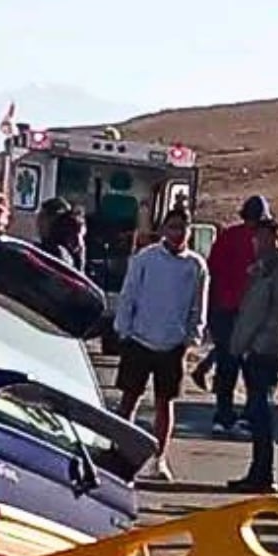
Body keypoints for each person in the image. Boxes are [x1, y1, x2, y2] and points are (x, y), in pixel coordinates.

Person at [113, 206, 209, 481]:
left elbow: (198, 306)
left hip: (172, 344)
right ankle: (119, 451)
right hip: (140, 339)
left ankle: (159, 459)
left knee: (164, 404)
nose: (178, 233)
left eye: (183, 228)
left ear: (189, 232)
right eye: (173, 227)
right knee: (129, 399)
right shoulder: (146, 258)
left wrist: (192, 337)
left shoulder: (196, 265)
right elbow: (129, 292)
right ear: (164, 230)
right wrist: (124, 328)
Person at [227, 216, 278, 494]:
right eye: (256, 236)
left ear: (275, 237)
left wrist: (261, 346)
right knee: (256, 414)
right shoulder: (263, 269)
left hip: (269, 353)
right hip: (253, 350)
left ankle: (265, 475)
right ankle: (257, 472)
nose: (257, 242)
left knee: (262, 413)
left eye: (262, 236)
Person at [194, 195, 270, 436]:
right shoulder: (266, 241)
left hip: (225, 310)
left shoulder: (227, 236)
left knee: (228, 366)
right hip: (247, 313)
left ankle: (223, 415)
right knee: (249, 368)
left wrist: (208, 311)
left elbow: (212, 273)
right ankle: (245, 417)